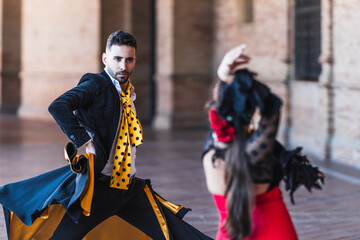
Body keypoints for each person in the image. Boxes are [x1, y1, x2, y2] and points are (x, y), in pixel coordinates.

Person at [0, 30, 212, 240]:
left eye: (129, 60)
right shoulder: (97, 85)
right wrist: (85, 140)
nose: (123, 66)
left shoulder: (127, 92)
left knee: (171, 230)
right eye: (117, 58)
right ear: (105, 58)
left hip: (129, 187)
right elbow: (59, 106)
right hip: (100, 188)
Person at [202, 45, 324, 240]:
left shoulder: (213, 146)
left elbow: (223, 105)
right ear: (251, 109)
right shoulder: (257, 152)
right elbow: (272, 107)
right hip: (275, 229)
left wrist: (225, 76)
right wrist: (249, 86)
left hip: (230, 234)